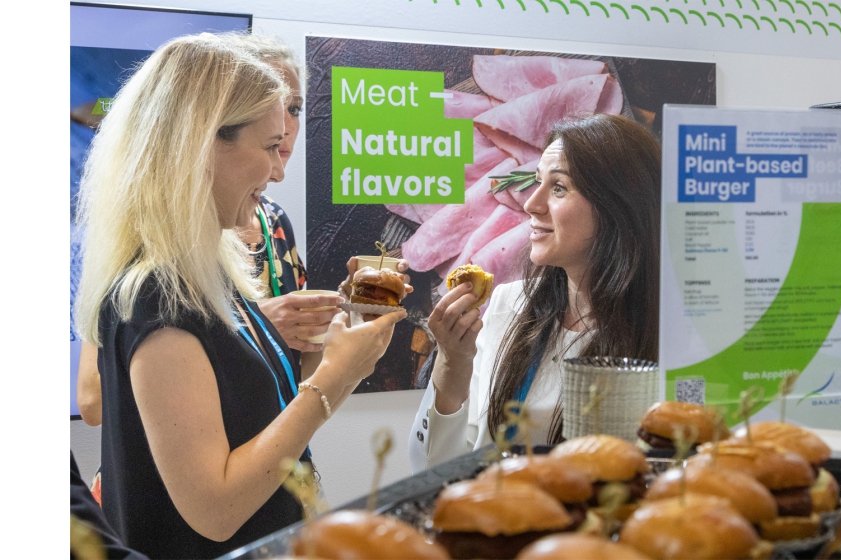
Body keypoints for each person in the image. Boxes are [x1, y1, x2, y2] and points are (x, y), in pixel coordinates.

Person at [73, 33, 406, 558]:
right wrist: (337, 378)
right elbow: (217, 510)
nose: (278, 170)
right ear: (203, 143)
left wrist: (342, 357)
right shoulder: (160, 298)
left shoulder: (211, 272)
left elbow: (258, 421)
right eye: (271, 146)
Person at [75, 35, 326, 428]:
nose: (286, 126)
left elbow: (280, 384)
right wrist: (260, 333)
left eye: (293, 107)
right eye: (271, 110)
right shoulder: (153, 278)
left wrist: (344, 330)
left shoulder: (271, 225)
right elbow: (94, 401)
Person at [408, 114, 661, 473]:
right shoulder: (507, 304)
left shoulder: (668, 334)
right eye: (537, 182)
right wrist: (452, 363)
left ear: (618, 206)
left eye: (558, 187)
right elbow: (433, 468)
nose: (531, 203)